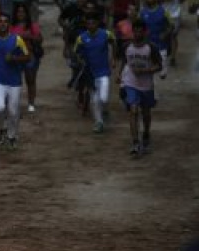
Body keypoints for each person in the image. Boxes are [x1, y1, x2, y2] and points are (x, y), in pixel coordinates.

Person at [0, 13, 31, 150]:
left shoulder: (17, 40)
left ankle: (12, 136)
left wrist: (15, 59)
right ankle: (2, 128)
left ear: (9, 24)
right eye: (0, 21)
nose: (3, 23)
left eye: (5, 21)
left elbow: (28, 56)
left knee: (12, 111)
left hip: (14, 82)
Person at [118, 19, 162, 156]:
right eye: (135, 31)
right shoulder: (126, 46)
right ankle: (135, 142)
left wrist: (145, 71)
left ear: (144, 32)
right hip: (130, 83)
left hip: (146, 86)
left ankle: (146, 133)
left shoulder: (152, 47)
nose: (137, 34)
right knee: (133, 110)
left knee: (146, 113)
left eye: (139, 31)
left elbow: (159, 66)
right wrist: (119, 75)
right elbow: (124, 62)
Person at [74, 13, 116, 134]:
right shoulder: (81, 38)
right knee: (94, 99)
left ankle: (104, 110)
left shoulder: (106, 34)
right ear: (86, 24)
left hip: (104, 72)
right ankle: (99, 122)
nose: (91, 25)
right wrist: (80, 61)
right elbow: (76, 52)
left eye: (93, 23)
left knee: (103, 98)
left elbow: (113, 42)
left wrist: (113, 58)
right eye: (88, 23)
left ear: (97, 23)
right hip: (90, 74)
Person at [11, 2, 43, 113]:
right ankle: (15, 103)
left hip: (30, 55)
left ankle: (31, 103)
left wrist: (28, 36)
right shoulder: (11, 26)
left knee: (30, 80)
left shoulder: (33, 25)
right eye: (18, 12)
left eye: (23, 12)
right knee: (15, 81)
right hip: (16, 56)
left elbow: (40, 39)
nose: (21, 14)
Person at [139, 0, 172, 79]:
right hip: (147, 45)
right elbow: (138, 27)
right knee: (147, 74)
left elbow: (171, 26)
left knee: (162, 75)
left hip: (161, 45)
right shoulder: (142, 12)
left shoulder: (164, 11)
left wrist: (165, 34)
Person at [162, 0, 182, 66]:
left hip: (175, 14)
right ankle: (165, 52)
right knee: (165, 35)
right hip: (164, 12)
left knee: (173, 36)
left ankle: (172, 58)